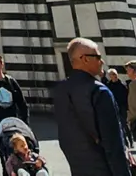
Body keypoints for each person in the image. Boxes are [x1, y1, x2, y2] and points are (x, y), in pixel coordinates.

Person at [52, 38, 129, 176]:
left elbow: (65, 137)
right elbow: (113, 144)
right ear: (85, 59)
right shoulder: (99, 91)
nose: (102, 61)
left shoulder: (60, 90)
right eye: (98, 57)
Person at [103, 69, 130, 144]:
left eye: (115, 74)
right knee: (118, 125)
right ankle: (124, 141)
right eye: (113, 74)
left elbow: (127, 96)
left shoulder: (122, 85)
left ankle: (130, 139)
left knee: (124, 124)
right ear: (110, 76)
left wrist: (128, 107)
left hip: (122, 107)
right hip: (114, 107)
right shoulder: (108, 86)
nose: (115, 76)